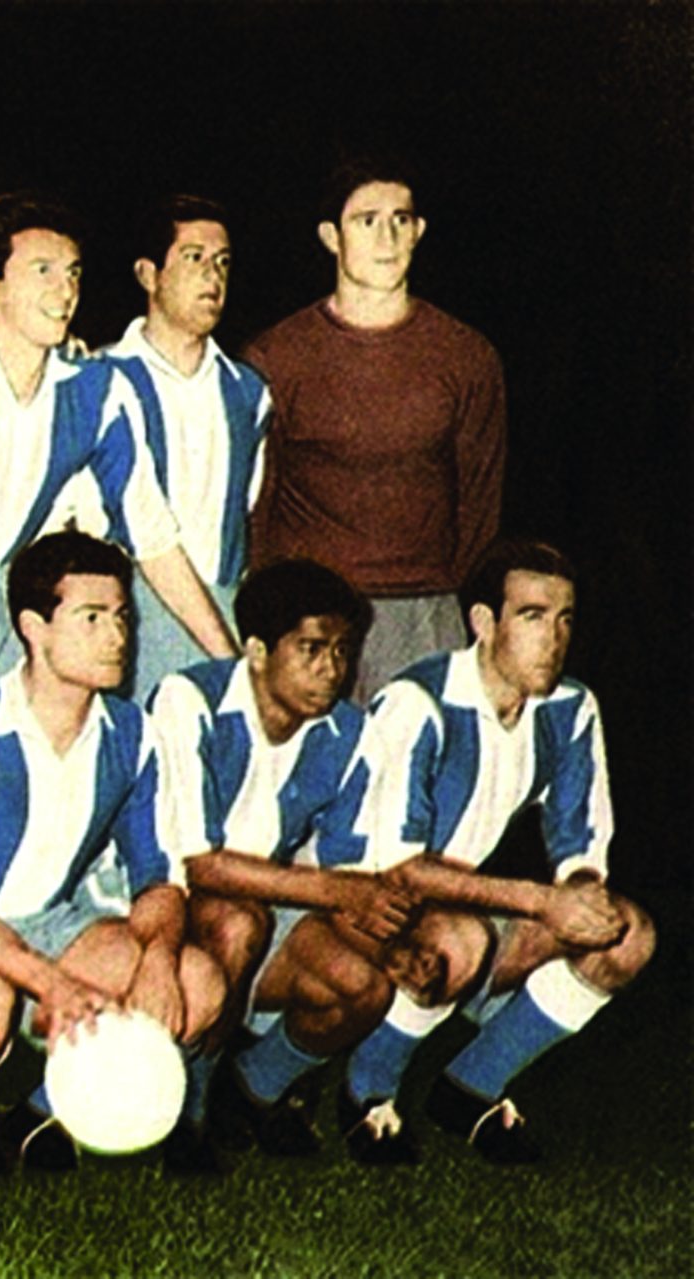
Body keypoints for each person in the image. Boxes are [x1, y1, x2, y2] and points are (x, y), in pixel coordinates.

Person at [0, 531, 224, 1177]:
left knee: (196, 983)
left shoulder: (132, 731)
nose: (117, 636)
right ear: (33, 627)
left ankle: (39, 1111)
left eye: (123, 616)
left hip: (58, 922)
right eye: (92, 617)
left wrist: (158, 957)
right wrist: (55, 984)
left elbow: (160, 874)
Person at [0, 191, 234, 737]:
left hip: (6, 615)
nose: (64, 291)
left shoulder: (97, 388)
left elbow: (154, 537)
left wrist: (230, 664)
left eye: (72, 273)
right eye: (42, 271)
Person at [340, 540, 653, 1164]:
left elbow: (580, 839)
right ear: (484, 623)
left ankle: (469, 1089)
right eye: (533, 616)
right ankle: (366, 1091)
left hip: (446, 910)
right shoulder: (419, 702)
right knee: (460, 940)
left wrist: (581, 895)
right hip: (354, 914)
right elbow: (397, 869)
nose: (555, 638)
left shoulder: (568, 706)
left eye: (565, 619)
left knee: (626, 934)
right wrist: (541, 899)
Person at [148, 559, 417, 1169]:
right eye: (312, 649)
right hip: (159, 916)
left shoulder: (351, 732)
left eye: (343, 651)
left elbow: (350, 871)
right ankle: (185, 1116)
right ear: (257, 650)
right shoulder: (189, 700)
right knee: (237, 923)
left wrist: (389, 936)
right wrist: (336, 891)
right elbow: (194, 864)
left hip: (263, 909)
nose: (332, 670)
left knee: (365, 986)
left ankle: (252, 1088)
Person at [245, 157, 506, 701]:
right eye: (366, 220)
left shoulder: (466, 356)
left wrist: (444, 594)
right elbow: (255, 505)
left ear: (419, 231)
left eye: (401, 219)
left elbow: (480, 502)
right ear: (330, 236)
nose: (387, 237)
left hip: (423, 613)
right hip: (309, 613)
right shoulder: (276, 357)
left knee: (416, 779)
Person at [99, 196, 271, 701]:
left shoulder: (248, 392)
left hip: (223, 619)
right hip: (126, 625)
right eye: (194, 258)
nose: (212, 277)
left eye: (222, 262)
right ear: (148, 274)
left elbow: (248, 510)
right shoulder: (98, 380)